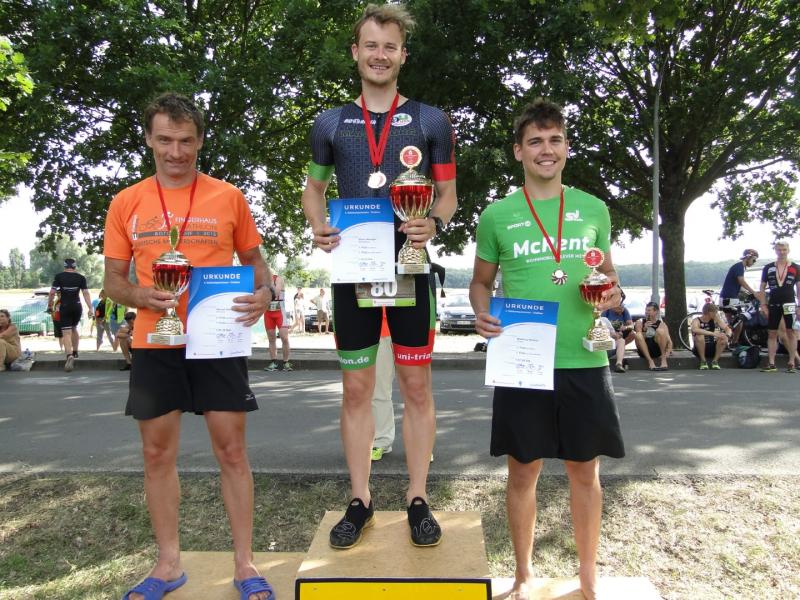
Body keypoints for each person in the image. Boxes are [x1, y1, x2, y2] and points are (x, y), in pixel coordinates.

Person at [102, 92, 275, 600]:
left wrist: (264, 294)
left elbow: (256, 263)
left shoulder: (228, 196)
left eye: (185, 141)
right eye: (165, 140)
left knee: (232, 450)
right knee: (156, 454)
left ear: (199, 141)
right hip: (155, 339)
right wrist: (141, 295)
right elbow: (113, 281)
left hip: (217, 338)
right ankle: (167, 564)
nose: (175, 152)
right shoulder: (127, 202)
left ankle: (245, 564)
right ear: (149, 140)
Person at [300, 3, 457, 549]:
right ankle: (360, 500)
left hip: (410, 265)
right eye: (371, 45)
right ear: (356, 52)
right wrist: (318, 227)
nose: (380, 55)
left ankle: (417, 498)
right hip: (354, 270)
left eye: (390, 47)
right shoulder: (330, 123)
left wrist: (434, 223)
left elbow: (447, 194)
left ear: (403, 56)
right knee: (356, 388)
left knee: (416, 386)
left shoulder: (432, 121)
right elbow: (314, 190)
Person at [470, 99, 624, 600]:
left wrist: (613, 296)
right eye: (535, 141)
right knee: (523, 471)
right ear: (519, 151)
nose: (546, 149)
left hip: (584, 357)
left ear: (567, 148)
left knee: (585, 471)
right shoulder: (496, 215)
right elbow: (480, 282)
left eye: (555, 139)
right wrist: (482, 313)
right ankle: (523, 574)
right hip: (524, 361)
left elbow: (609, 277)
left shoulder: (593, 209)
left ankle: (588, 577)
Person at [757, 241, 799, 373]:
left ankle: (791, 362)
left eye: (784, 249)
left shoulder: (796, 267)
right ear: (775, 250)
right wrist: (763, 305)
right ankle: (771, 363)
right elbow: (762, 287)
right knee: (772, 333)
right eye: (779, 249)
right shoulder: (768, 267)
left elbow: (799, 288)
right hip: (773, 303)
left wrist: (799, 306)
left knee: (791, 332)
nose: (781, 252)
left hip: (789, 303)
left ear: (788, 250)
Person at [47, 258, 93, 372]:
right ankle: (75, 351)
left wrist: (50, 305)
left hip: (65, 306)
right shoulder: (81, 277)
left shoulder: (59, 276)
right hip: (77, 306)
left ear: (64, 266)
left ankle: (69, 355)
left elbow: (52, 292)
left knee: (66, 333)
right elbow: (86, 293)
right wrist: (90, 308)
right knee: (74, 328)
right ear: (75, 267)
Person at [719, 249, 759, 346]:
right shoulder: (739, 266)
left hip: (725, 297)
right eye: (754, 260)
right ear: (748, 257)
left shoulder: (738, 267)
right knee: (740, 320)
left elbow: (738, 285)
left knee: (732, 322)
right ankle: (734, 342)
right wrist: (754, 292)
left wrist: (747, 292)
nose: (754, 262)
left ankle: (725, 341)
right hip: (730, 298)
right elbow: (741, 281)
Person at [371, 308, 395, 460]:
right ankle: (381, 441)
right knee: (379, 389)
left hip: (411, 324)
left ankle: (422, 444)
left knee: (417, 389)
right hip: (379, 328)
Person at [263, 273, 292, 372]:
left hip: (280, 313)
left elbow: (275, 293)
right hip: (268, 313)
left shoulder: (278, 279)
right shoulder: (262, 281)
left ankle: (286, 362)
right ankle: (273, 362)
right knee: (271, 339)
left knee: (284, 338)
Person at [690, 303, 732, 370]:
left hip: (712, 348)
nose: (716, 314)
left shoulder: (715, 319)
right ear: (710, 312)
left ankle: (715, 361)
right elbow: (694, 329)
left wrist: (727, 336)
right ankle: (703, 361)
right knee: (699, 335)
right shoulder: (696, 320)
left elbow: (728, 329)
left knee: (723, 337)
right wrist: (713, 334)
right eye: (715, 312)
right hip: (699, 349)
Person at [633, 302, 672, 371]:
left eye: (649, 310)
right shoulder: (639, 322)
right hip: (643, 350)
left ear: (656, 312)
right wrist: (644, 329)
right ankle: (650, 361)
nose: (646, 312)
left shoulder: (661, 324)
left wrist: (668, 352)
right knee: (638, 334)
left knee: (661, 331)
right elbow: (639, 339)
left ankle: (663, 360)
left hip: (657, 350)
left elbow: (669, 341)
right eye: (646, 310)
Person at [601, 296, 634, 373]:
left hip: (618, 336)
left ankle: (619, 364)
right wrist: (614, 335)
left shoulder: (625, 311)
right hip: (605, 342)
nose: (621, 309)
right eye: (619, 307)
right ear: (613, 306)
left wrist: (625, 327)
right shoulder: (605, 315)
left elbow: (631, 325)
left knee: (625, 338)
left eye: (623, 306)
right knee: (619, 340)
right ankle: (620, 350)